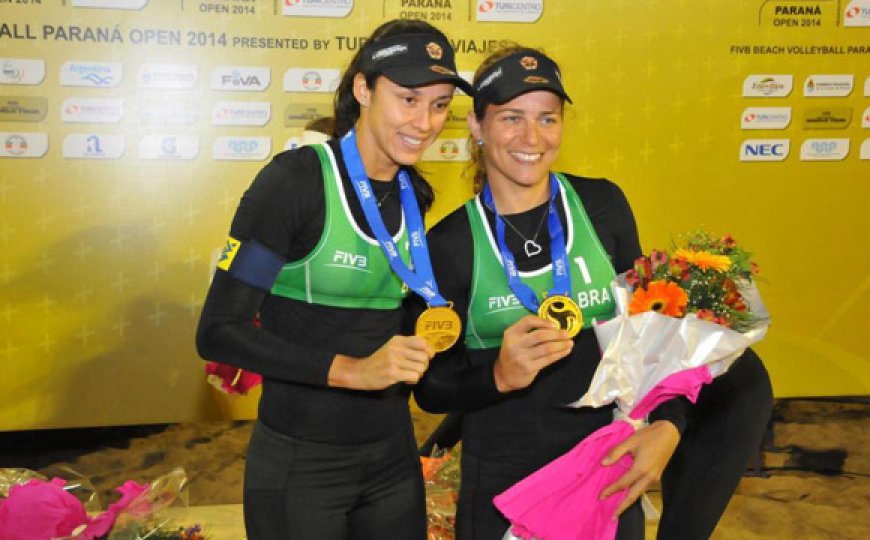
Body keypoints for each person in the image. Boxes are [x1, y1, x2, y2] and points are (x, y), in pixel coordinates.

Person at [414, 45, 773, 539]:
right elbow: (431, 388)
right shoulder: (449, 246)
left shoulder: (602, 205)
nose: (532, 137)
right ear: (477, 126)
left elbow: (653, 334)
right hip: (508, 483)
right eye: (511, 118)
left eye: (548, 119)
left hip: (608, 465)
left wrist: (667, 426)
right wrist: (497, 374)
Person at [195, 19, 472, 540]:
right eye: (408, 99)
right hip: (303, 464)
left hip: (392, 459)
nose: (426, 122)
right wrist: (351, 369)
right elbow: (218, 331)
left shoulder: (416, 194)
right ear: (363, 88)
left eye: (439, 105)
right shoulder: (295, 182)